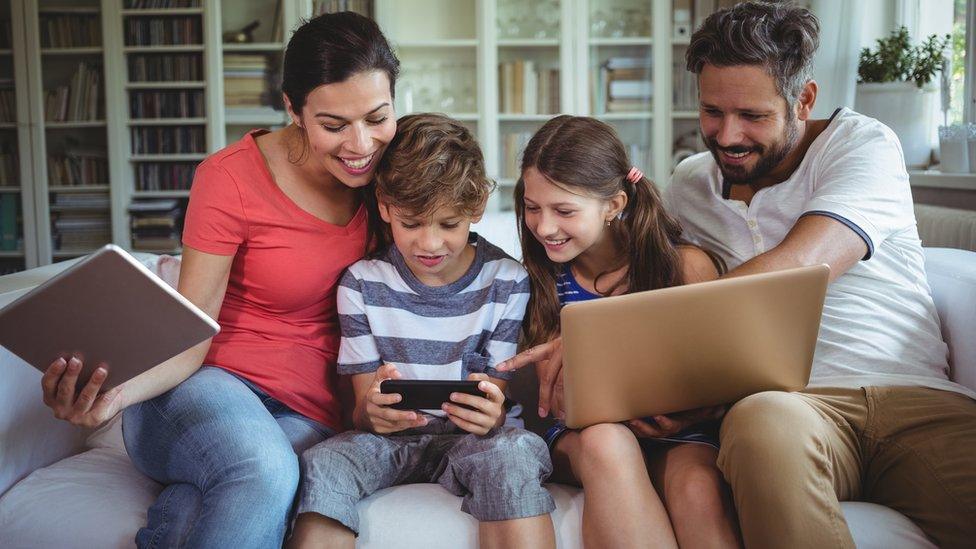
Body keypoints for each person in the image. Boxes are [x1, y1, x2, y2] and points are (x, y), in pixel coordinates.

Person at [38, 12, 400, 548]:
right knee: (264, 472)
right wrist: (111, 399)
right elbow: (191, 332)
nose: (361, 143)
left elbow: (456, 243)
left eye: (377, 117)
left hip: (311, 411)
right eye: (334, 125)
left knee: (199, 512)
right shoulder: (229, 177)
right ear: (293, 109)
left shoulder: (393, 173)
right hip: (203, 387)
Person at [664, 3, 976, 548]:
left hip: (916, 399)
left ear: (803, 99)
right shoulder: (688, 185)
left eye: (753, 116)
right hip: (790, 409)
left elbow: (800, 268)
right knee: (761, 425)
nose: (728, 136)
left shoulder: (862, 144)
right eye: (712, 111)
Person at [288, 113, 556, 549]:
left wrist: (493, 412)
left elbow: (496, 390)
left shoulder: (507, 280)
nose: (430, 244)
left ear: (476, 208)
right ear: (385, 208)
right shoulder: (361, 284)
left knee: (513, 451)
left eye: (448, 224)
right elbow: (360, 409)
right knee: (326, 459)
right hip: (391, 442)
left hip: (476, 441)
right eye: (411, 224)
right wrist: (371, 413)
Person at [497, 115, 740, 548]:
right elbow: (551, 400)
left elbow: (720, 377)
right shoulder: (541, 281)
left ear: (613, 205)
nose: (544, 227)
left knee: (698, 490)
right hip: (583, 438)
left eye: (564, 210)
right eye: (533, 207)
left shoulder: (684, 267)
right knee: (608, 441)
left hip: (678, 433)